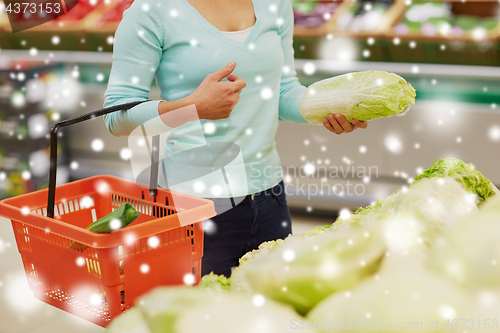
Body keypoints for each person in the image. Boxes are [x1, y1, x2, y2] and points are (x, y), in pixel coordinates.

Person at [103, 0, 368, 277]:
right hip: (196, 203)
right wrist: (191, 107)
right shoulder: (152, 11)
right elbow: (116, 116)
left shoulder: (275, 4)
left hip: (269, 195)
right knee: (204, 314)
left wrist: (333, 106)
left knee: (271, 310)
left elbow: (283, 91)